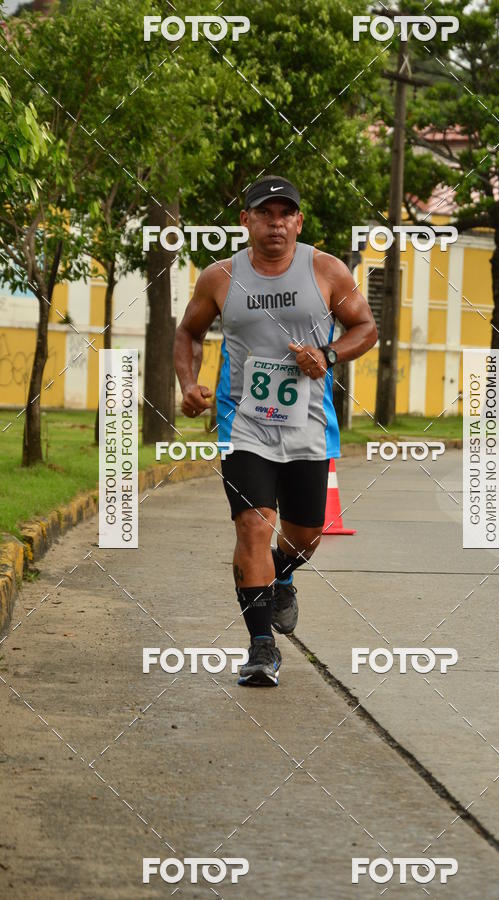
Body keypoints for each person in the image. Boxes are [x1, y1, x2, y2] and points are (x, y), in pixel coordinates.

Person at [174, 175, 377, 686]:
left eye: (286, 213)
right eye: (265, 213)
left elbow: (366, 328)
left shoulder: (326, 270)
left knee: (305, 537)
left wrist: (328, 355)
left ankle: (283, 572)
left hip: (308, 424)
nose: (276, 222)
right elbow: (188, 332)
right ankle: (261, 647)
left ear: (299, 221)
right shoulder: (219, 277)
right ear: (246, 221)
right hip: (243, 423)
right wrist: (188, 382)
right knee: (254, 526)